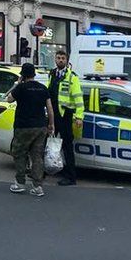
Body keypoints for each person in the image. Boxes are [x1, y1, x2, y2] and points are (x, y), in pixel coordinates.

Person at [5, 63, 55, 197]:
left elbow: (9, 99)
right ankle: (38, 186)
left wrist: (18, 84)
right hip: (40, 126)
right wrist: (51, 124)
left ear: (22, 75)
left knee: (19, 153)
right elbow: (50, 108)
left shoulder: (21, 88)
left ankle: (20, 183)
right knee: (37, 156)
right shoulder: (43, 88)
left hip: (23, 126)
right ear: (34, 74)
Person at [48, 50, 84, 186]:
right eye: (58, 58)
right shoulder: (52, 74)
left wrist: (79, 116)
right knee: (47, 143)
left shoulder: (72, 77)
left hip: (65, 116)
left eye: (63, 58)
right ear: (55, 60)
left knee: (67, 146)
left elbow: (78, 99)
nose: (60, 60)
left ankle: (70, 177)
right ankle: (46, 170)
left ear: (67, 60)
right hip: (53, 115)